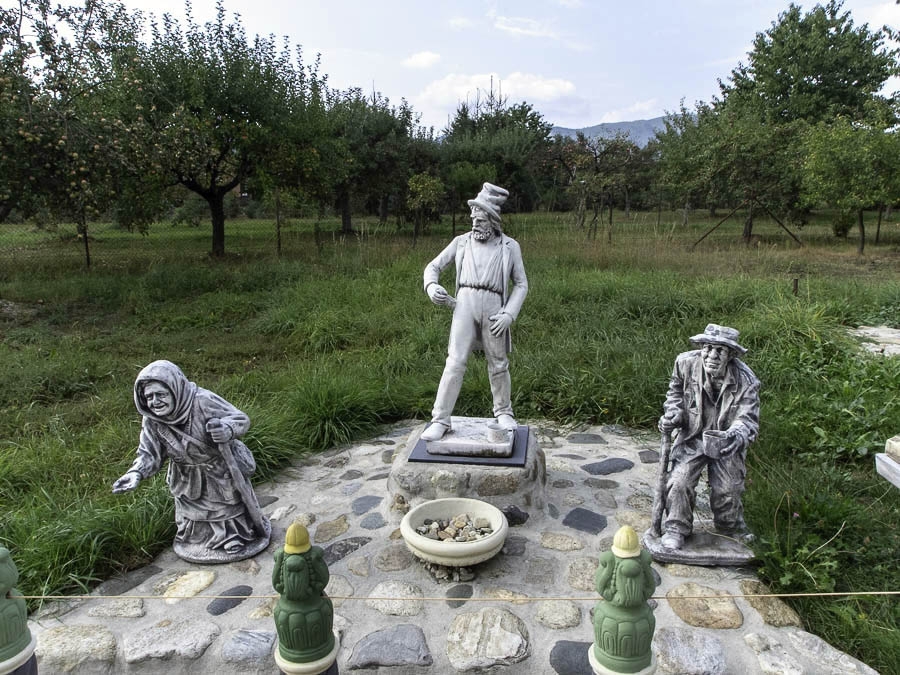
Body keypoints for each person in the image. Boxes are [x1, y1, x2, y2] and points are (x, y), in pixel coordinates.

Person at [112, 360, 270, 562]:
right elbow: (149, 452)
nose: (155, 401)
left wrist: (227, 429)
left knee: (225, 506)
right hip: (185, 477)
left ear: (175, 389)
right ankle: (199, 539)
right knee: (192, 513)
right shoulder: (152, 421)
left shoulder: (202, 401)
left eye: (160, 394)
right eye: (149, 397)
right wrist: (136, 473)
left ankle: (233, 536)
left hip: (217, 471)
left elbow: (240, 418)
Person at [421, 182, 528, 441]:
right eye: (473, 219)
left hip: (494, 307)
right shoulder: (460, 242)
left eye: (480, 220)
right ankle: (440, 419)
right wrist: (431, 286)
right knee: (455, 361)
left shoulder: (510, 246)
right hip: (464, 305)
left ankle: (504, 412)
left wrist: (509, 314)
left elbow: (521, 284)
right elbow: (433, 266)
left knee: (498, 362)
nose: (474, 224)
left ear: (493, 220)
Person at [657, 324, 760, 550]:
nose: (712, 355)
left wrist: (734, 433)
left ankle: (730, 528)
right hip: (693, 436)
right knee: (679, 481)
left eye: (719, 350)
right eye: (708, 348)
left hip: (726, 441)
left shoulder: (746, 380)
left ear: (730, 355)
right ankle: (676, 527)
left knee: (728, 489)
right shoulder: (685, 363)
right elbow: (675, 393)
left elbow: (748, 419)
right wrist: (674, 413)